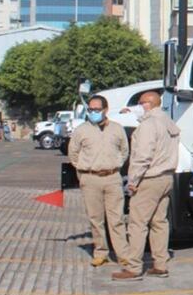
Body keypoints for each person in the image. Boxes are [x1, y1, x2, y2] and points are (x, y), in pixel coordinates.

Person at [113, 91, 179, 281]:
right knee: (159, 222)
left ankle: (133, 268)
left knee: (137, 224)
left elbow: (142, 156)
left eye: (139, 104)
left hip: (150, 179)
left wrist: (133, 181)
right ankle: (160, 265)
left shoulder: (149, 125)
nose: (137, 109)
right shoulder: (168, 122)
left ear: (147, 104)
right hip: (166, 177)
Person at [67, 94, 129, 267]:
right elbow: (73, 153)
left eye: (97, 109)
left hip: (112, 177)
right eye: (91, 109)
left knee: (116, 218)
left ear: (105, 110)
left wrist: (115, 164)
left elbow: (124, 151)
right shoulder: (81, 130)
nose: (93, 112)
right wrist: (82, 169)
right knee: (95, 218)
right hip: (90, 178)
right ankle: (100, 252)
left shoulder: (117, 129)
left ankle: (122, 253)